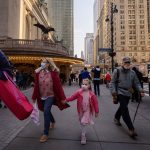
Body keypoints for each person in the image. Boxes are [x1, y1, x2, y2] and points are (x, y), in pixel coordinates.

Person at [32, 58, 69, 143]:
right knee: (46, 110)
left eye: (44, 62)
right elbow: (36, 86)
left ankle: (45, 133)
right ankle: (52, 121)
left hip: (50, 96)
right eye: (42, 62)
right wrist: (34, 97)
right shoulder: (38, 74)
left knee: (46, 111)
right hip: (41, 96)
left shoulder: (53, 74)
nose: (42, 63)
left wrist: (63, 98)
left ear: (48, 64)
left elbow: (59, 87)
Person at [110, 57, 145, 137]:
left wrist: (141, 90)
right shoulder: (117, 71)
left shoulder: (133, 73)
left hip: (128, 92)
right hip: (119, 92)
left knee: (123, 107)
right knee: (125, 109)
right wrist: (114, 92)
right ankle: (131, 128)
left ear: (130, 63)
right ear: (122, 63)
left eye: (128, 63)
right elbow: (112, 82)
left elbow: (137, 83)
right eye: (125, 62)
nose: (127, 64)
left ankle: (116, 117)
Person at [62, 78, 99, 145]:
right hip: (81, 109)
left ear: (89, 85)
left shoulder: (92, 94)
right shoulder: (79, 92)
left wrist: (97, 111)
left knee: (83, 121)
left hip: (88, 109)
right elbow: (72, 97)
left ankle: (83, 136)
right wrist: (66, 100)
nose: (84, 85)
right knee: (81, 121)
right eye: (83, 84)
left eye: (86, 84)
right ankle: (83, 131)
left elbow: (96, 103)